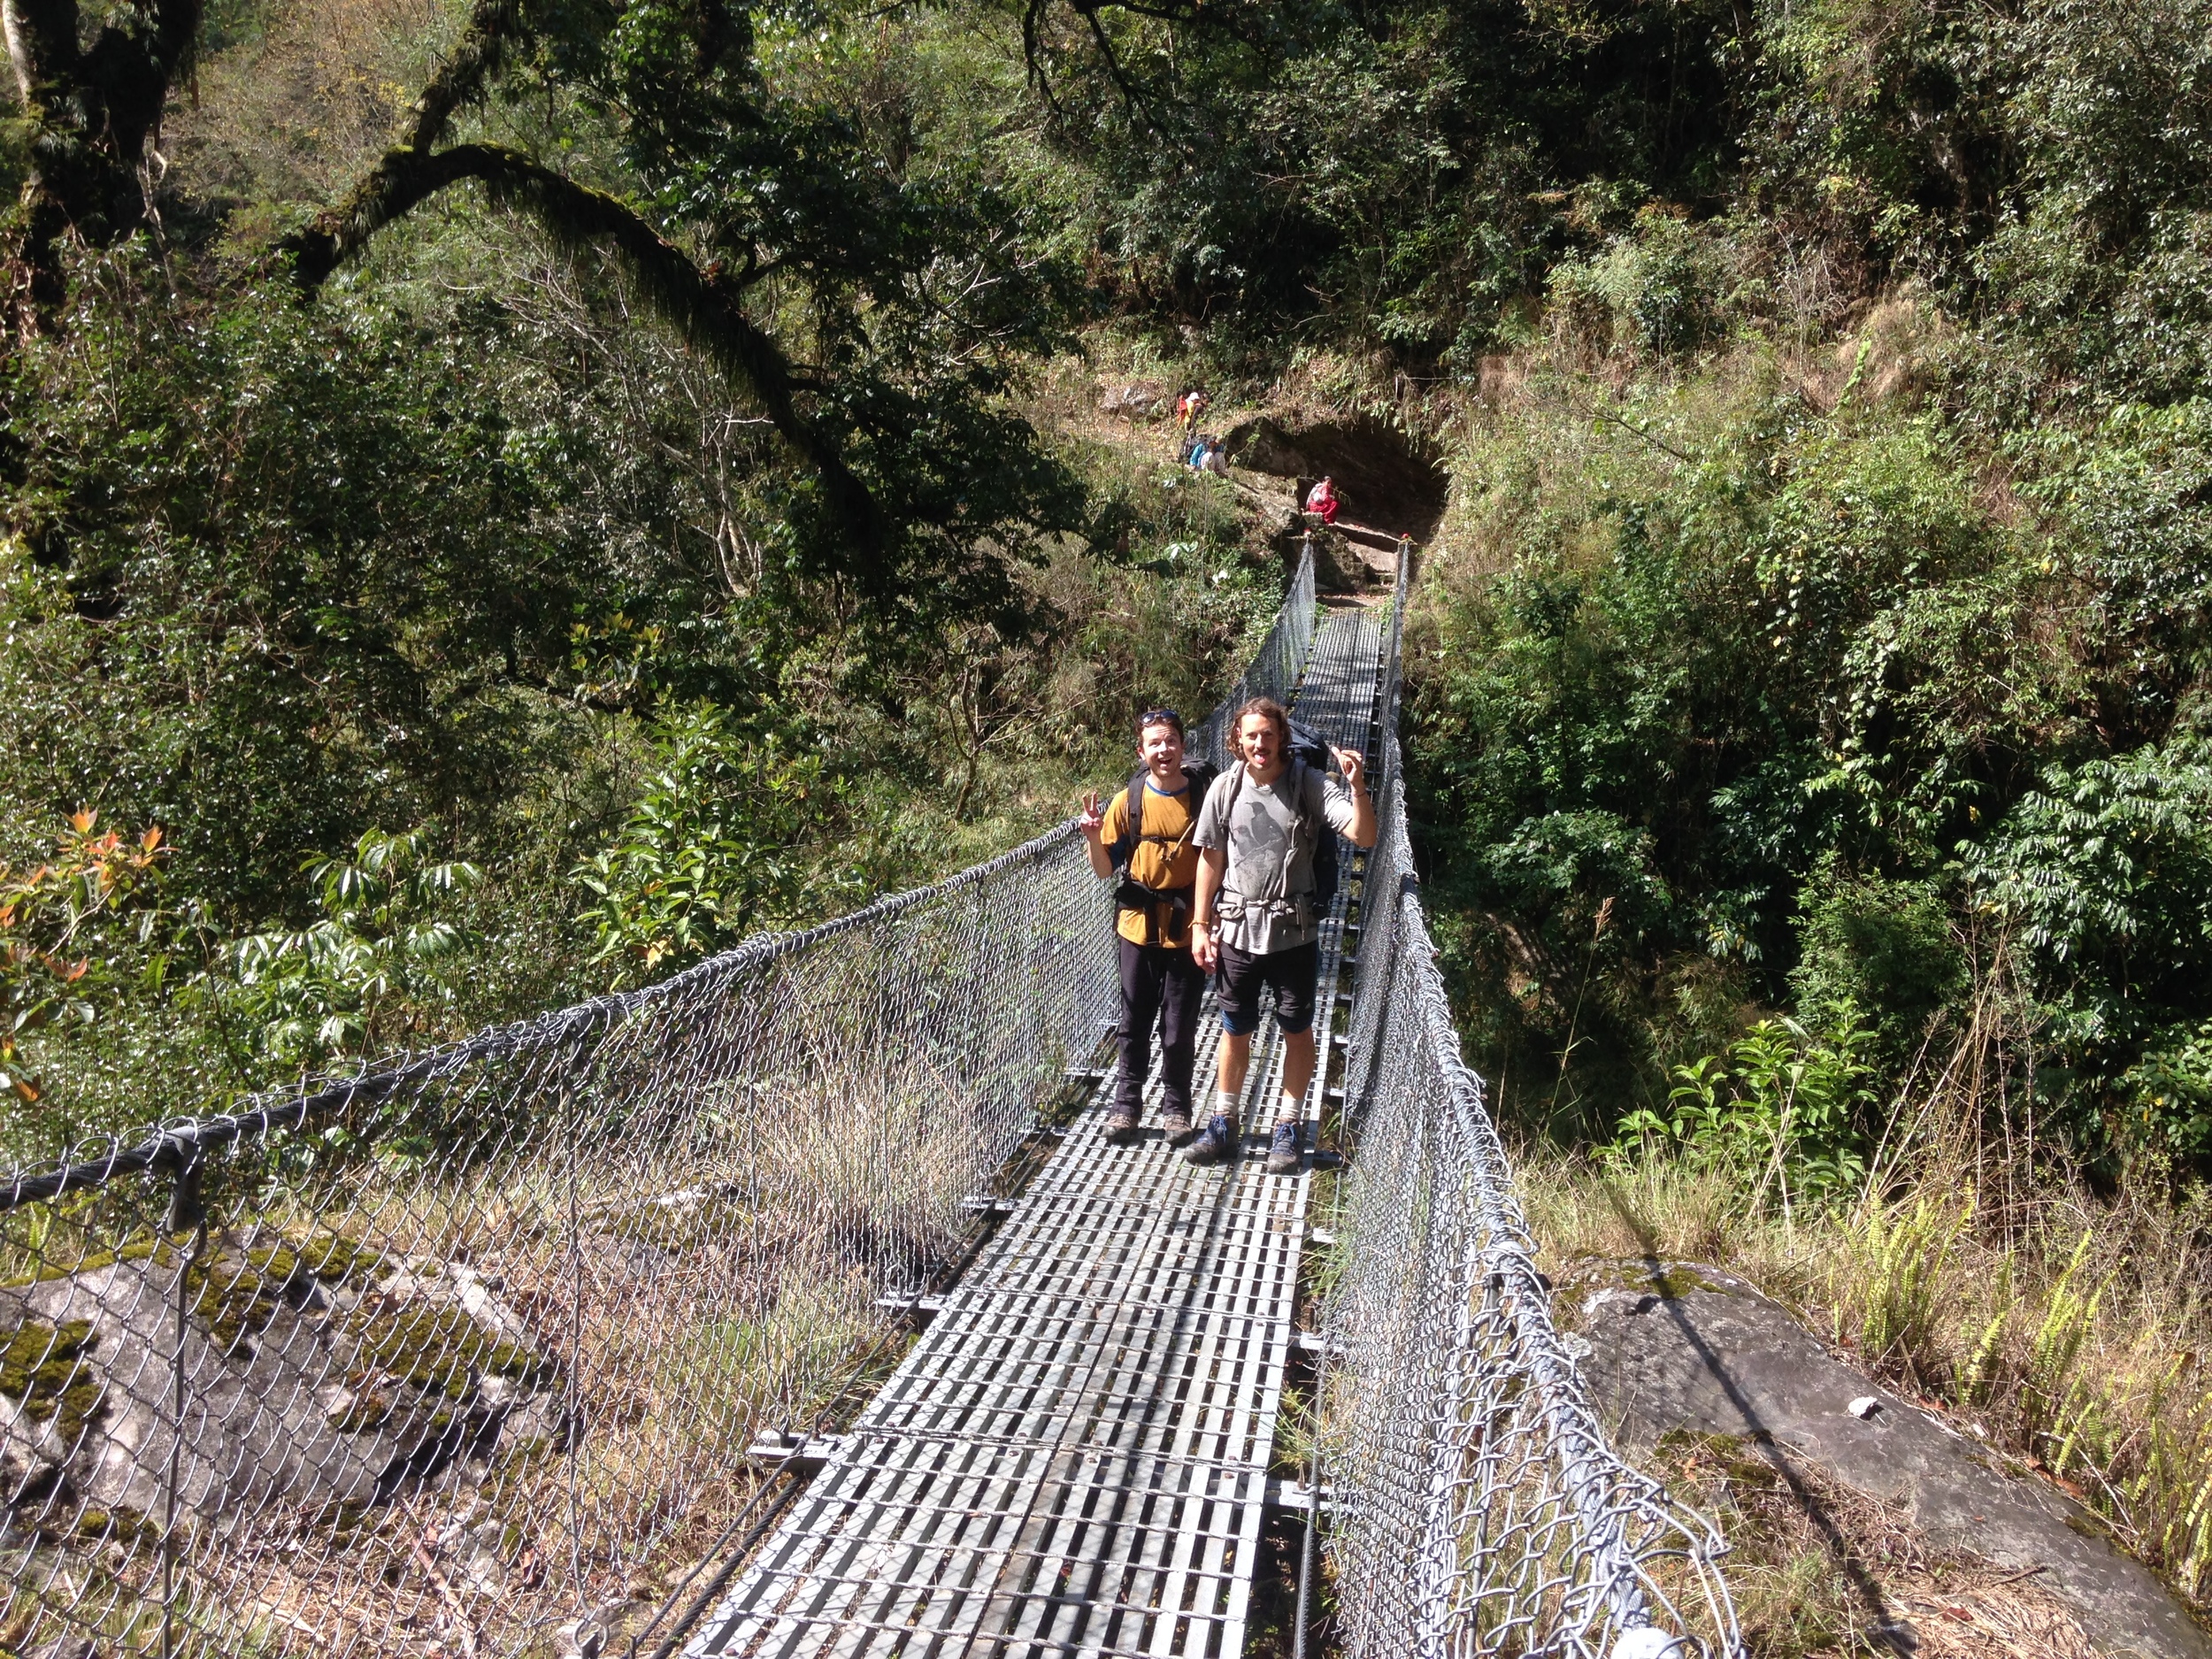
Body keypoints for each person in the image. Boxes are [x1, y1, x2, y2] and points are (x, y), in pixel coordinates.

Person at [1188, 697, 1376, 1172]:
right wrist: (1199, 925)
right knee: (1234, 1029)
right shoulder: (1224, 788)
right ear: (1237, 740)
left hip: (1293, 933)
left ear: (1281, 738)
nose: (1259, 744)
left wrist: (1357, 789)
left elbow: (1364, 835)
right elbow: (1209, 858)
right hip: (1237, 930)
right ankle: (1223, 1122)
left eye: (1267, 735)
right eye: (1250, 736)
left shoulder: (1308, 783)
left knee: (1296, 1029)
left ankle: (1287, 1128)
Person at [1078, 709, 1217, 1147]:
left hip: (1185, 926)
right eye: (1154, 743)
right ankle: (1126, 1108)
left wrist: (1207, 921)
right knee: (1133, 1018)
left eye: (1170, 741)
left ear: (1182, 746)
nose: (1163, 750)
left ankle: (1177, 1109)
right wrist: (1092, 836)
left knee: (1179, 1025)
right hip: (1137, 927)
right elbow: (1105, 870)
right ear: (1142, 751)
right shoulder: (1128, 801)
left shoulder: (1204, 796)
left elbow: (1217, 859)